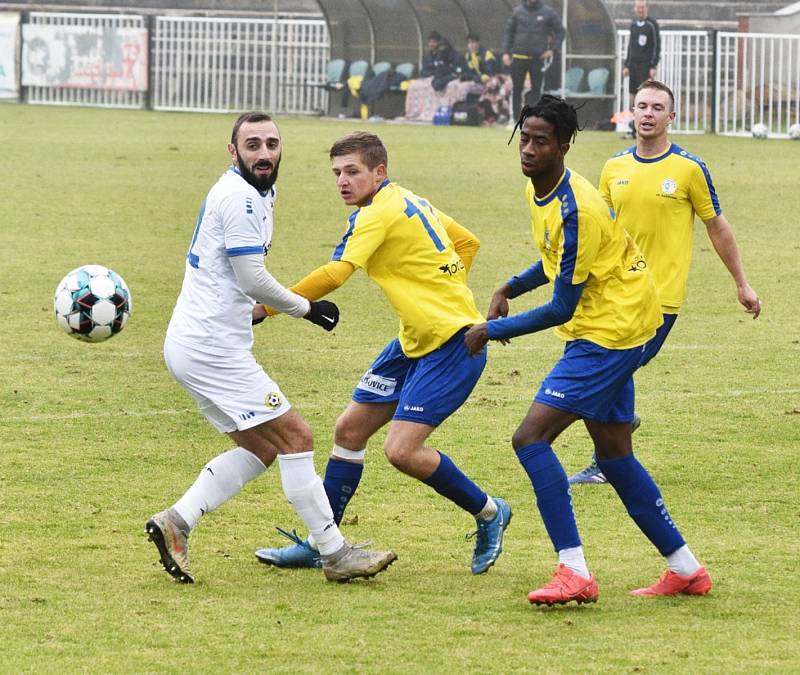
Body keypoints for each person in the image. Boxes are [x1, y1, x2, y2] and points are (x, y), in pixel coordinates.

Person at [465, 96, 713, 604]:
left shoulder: (576, 203)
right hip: (614, 321)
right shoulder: (546, 192)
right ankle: (685, 568)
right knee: (616, 455)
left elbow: (561, 306)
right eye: (524, 138)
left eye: (541, 141)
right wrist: (510, 286)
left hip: (609, 332)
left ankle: (573, 570)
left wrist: (491, 331)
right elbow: (556, 257)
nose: (529, 150)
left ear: (564, 145)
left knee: (530, 440)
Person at [146, 112, 397, 584]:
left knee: (261, 447)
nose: (264, 153)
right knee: (296, 438)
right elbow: (251, 277)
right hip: (211, 348)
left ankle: (177, 522)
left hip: (196, 343)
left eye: (272, 144)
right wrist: (307, 308)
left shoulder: (257, 191)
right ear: (233, 151)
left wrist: (255, 313)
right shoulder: (239, 197)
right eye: (253, 144)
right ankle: (335, 553)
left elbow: (234, 279)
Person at [254, 131, 512, 575]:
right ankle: (325, 542)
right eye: (336, 173)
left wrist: (266, 307)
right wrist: (442, 289)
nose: (342, 181)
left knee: (402, 451)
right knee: (350, 429)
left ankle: (490, 512)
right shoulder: (408, 199)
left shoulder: (374, 215)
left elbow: (336, 274)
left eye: (352, 171)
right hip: (415, 337)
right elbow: (468, 243)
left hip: (454, 344)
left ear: (379, 172)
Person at [568, 79, 761, 485]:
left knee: (611, 371)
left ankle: (611, 451)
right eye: (642, 106)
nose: (648, 114)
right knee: (610, 370)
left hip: (661, 297)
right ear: (632, 112)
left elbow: (717, 227)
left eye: (657, 107)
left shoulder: (689, 168)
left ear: (671, 117)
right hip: (615, 292)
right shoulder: (614, 167)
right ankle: (617, 439)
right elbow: (600, 230)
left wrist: (742, 284)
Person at [501, 0, 565, 122]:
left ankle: (532, 120)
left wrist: (553, 50)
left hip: (537, 59)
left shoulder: (548, 12)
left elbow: (561, 31)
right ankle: (515, 119)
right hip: (518, 58)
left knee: (536, 90)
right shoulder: (517, 12)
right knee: (517, 89)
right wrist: (505, 52)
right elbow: (508, 33)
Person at [624, 0, 661, 108]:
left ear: (646, 8)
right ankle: (633, 120)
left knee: (645, 92)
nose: (640, 10)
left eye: (642, 7)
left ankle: (644, 119)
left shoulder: (652, 24)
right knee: (633, 92)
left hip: (646, 65)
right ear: (635, 9)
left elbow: (656, 46)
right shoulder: (633, 25)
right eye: (638, 7)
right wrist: (627, 65)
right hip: (633, 65)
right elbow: (630, 46)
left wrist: (653, 66)